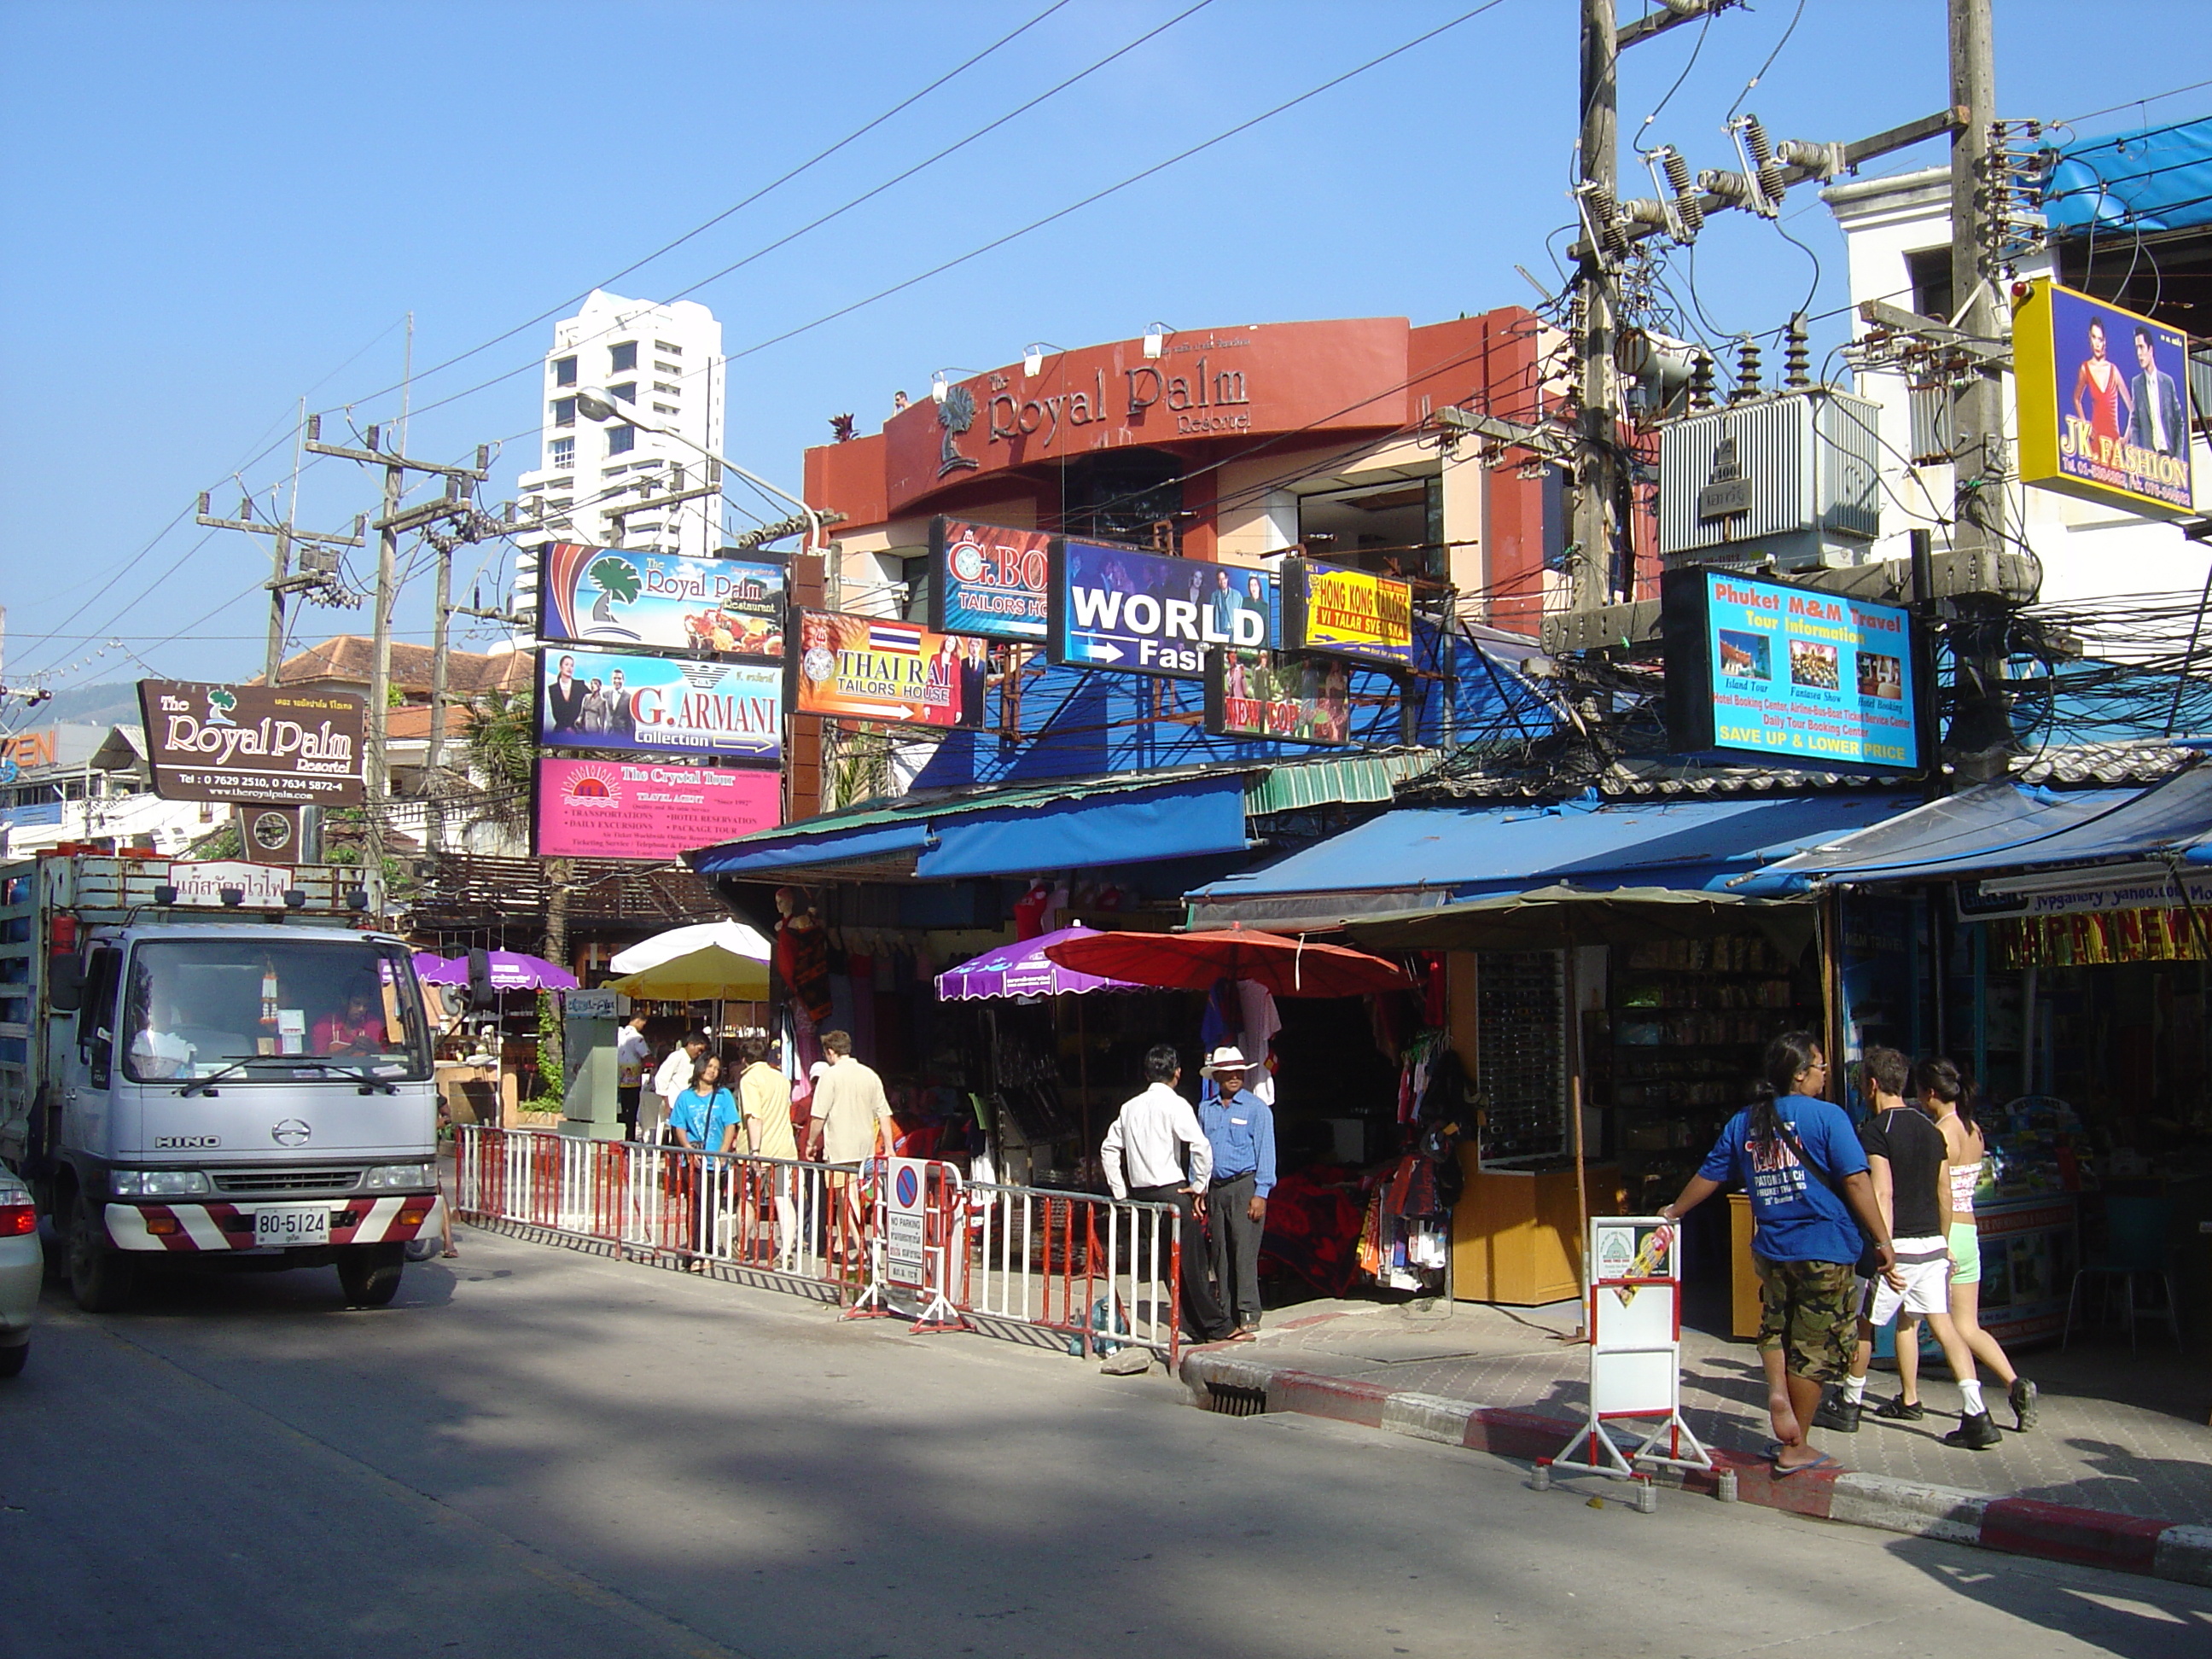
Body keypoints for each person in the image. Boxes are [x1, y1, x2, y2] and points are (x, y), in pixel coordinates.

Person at [1661, 1032, 1897, 1476]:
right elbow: (1856, 1182)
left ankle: (1776, 1388)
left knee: (1774, 1323)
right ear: (1800, 1073)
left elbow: (1710, 1175)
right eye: (1821, 1067)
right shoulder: (1828, 1118)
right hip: (1825, 1247)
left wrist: (1673, 1211)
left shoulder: (1746, 1121)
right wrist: (1883, 1240)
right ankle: (1796, 1444)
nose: (1826, 1076)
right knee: (1814, 1347)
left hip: (1771, 1246)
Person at [1813, 1048, 1997, 1448]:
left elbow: (1883, 1191)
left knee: (1866, 1324)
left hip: (1899, 1246)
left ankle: (1849, 1402)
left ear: (1872, 1084)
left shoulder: (1876, 1131)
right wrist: (1944, 1244)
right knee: (1944, 1325)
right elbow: (1944, 1191)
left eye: (1862, 1083)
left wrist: (1884, 1247)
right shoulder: (1932, 1128)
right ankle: (1976, 1412)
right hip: (1933, 1244)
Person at [1918, 1057, 2039, 1434]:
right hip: (1971, 1234)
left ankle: (1973, 1405)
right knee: (1969, 1326)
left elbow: (1940, 1190)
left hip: (1948, 1232)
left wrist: (1938, 1240)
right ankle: (2015, 1383)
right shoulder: (1974, 1131)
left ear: (1931, 1093)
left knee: (1944, 1326)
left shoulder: (1942, 1133)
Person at [1101, 1043, 1241, 1346]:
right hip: (1172, 1192)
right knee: (1192, 1264)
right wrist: (1200, 1185)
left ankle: (1194, 1324)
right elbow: (1201, 1146)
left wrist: (1121, 1192)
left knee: (1168, 1262)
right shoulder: (1176, 1105)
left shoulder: (1129, 1107)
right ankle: (1217, 1325)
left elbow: (1109, 1148)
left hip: (1141, 1195)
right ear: (1177, 1073)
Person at [1197, 1045, 1276, 1336]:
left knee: (1244, 1251)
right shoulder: (1206, 1110)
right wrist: (1199, 1189)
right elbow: (1200, 1152)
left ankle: (1248, 1310)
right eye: (1228, 1073)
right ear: (1217, 1076)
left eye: (1238, 1073)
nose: (1234, 1077)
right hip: (1216, 1189)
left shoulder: (1257, 1109)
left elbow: (1266, 1152)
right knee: (1220, 1251)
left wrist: (1261, 1193)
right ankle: (1226, 1310)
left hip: (1245, 1185)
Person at [731, 1033, 800, 1271]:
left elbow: (754, 1117)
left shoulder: (749, 1080)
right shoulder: (781, 1079)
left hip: (757, 1149)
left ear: (743, 1059)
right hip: (784, 1148)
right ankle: (787, 1250)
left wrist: (755, 1151)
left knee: (748, 1199)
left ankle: (743, 1244)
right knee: (783, 1199)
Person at [2128, 325, 2187, 459]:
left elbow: (2179, 422)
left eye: (2142, 347)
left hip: (2170, 457)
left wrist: (2178, 457)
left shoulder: (2167, 382)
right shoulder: (2137, 383)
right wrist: (2137, 455)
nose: (2139, 353)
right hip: (2151, 460)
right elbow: (2135, 423)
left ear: (2150, 349)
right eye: (2137, 348)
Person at [2072, 317, 2132, 444]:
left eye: (2100, 339)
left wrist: (2126, 438)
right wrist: (2085, 424)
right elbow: (2077, 398)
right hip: (2096, 440)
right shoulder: (2085, 368)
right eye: (2094, 337)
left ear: (2105, 341)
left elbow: (2132, 409)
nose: (2097, 343)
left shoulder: (2113, 370)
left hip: (2114, 443)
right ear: (2089, 338)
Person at [668, 1051, 740, 1155]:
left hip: (717, 1159)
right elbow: (679, 1126)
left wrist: (723, 1153)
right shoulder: (685, 1097)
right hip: (693, 1160)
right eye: (709, 1066)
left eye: (716, 1068)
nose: (712, 1071)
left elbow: (730, 1125)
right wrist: (688, 1148)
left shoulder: (724, 1095)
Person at [649, 1032, 707, 1147]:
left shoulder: (692, 1061)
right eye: (699, 1050)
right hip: (674, 1102)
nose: (699, 1053)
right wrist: (666, 1103)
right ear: (691, 1044)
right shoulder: (677, 1056)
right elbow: (661, 1078)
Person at [312, 987, 383, 1055]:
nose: (361, 1009)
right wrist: (351, 1050)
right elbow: (319, 1058)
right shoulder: (325, 1024)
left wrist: (373, 1048)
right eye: (356, 1003)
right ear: (344, 1001)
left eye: (365, 1006)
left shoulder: (373, 1023)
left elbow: (386, 1056)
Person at [614, 1011, 651, 1139]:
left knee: (622, 1106)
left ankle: (621, 1133)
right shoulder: (637, 1037)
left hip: (618, 1075)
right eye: (643, 1024)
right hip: (632, 1077)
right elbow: (646, 1055)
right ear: (638, 1021)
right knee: (632, 1106)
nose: (642, 1027)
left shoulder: (618, 1033)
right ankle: (630, 1135)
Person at [546, 654, 587, 736]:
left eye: (572, 665)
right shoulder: (553, 689)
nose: (569, 668)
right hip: (560, 730)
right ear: (560, 667)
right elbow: (556, 713)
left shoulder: (580, 685)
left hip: (577, 731)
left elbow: (593, 698)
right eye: (566, 665)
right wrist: (567, 728)